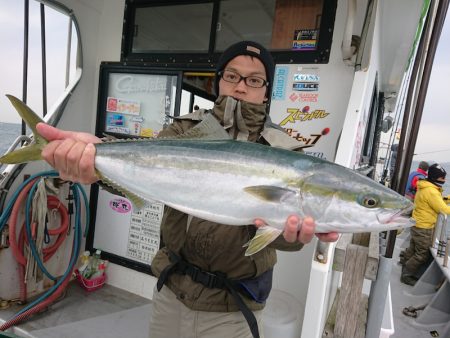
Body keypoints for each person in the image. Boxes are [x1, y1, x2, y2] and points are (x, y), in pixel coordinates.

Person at [36, 40, 338, 338]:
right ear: (219, 81)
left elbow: (288, 239)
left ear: (266, 90)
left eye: (254, 80)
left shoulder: (287, 153)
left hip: (232, 308)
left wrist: (293, 238)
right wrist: (96, 162)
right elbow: (143, 173)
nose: (241, 86)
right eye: (232, 76)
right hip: (172, 291)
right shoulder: (184, 131)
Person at [400, 163, 450, 286]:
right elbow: (444, 210)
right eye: (442, 177)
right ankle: (406, 275)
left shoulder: (425, 187)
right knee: (422, 254)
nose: (444, 180)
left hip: (417, 224)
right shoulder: (431, 191)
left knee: (413, 248)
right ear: (435, 178)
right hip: (424, 227)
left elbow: (436, 201)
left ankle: (404, 262)